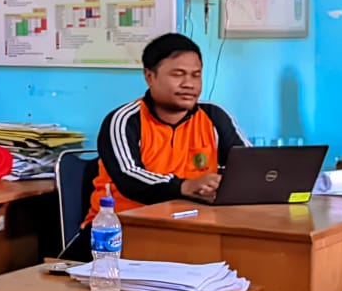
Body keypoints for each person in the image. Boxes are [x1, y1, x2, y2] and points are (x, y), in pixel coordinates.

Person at [85, 33, 248, 222]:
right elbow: (128, 177)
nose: (189, 84)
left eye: (196, 75)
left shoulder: (214, 117)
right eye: (177, 75)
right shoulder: (125, 120)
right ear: (149, 77)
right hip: (120, 227)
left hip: (194, 223)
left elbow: (248, 167)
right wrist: (184, 186)